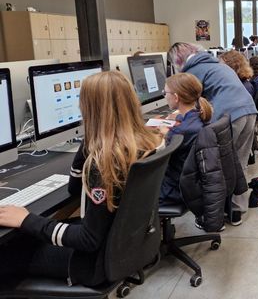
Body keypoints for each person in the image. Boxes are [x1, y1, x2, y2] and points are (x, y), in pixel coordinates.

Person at [0, 71, 163, 286]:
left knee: (8, 252)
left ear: (90, 110)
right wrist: (92, 139)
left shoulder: (104, 164)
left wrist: (26, 219)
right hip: (126, 246)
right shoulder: (146, 143)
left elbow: (88, 239)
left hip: (92, 262)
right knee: (29, 234)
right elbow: (75, 190)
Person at [168, 43, 257, 226]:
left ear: (178, 60)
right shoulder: (216, 64)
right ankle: (236, 212)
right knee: (239, 162)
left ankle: (213, 218)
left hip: (231, 114)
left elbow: (188, 99)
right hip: (249, 111)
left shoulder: (195, 70)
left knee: (213, 169)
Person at [158, 74, 214, 222]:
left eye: (165, 93)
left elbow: (162, 155)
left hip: (175, 191)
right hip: (190, 185)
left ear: (176, 97)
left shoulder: (180, 132)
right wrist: (176, 120)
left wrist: (166, 134)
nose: (165, 97)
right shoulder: (197, 116)